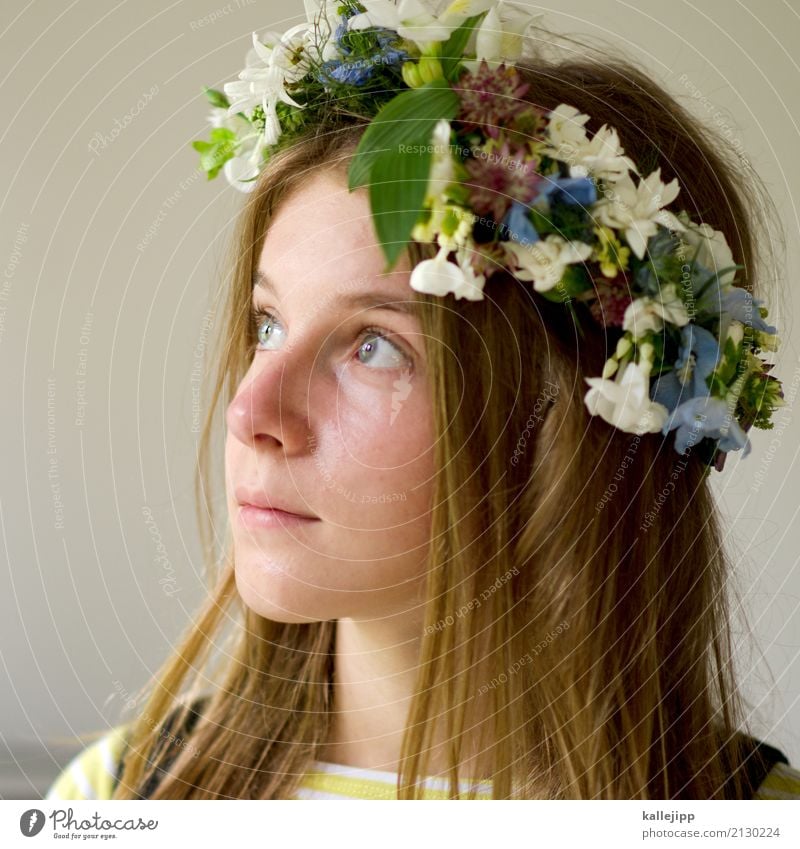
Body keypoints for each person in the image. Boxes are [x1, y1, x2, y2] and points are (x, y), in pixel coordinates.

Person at [45, 0, 800, 800]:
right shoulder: (117, 796)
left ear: (574, 420)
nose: (250, 412)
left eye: (375, 347)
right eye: (267, 324)